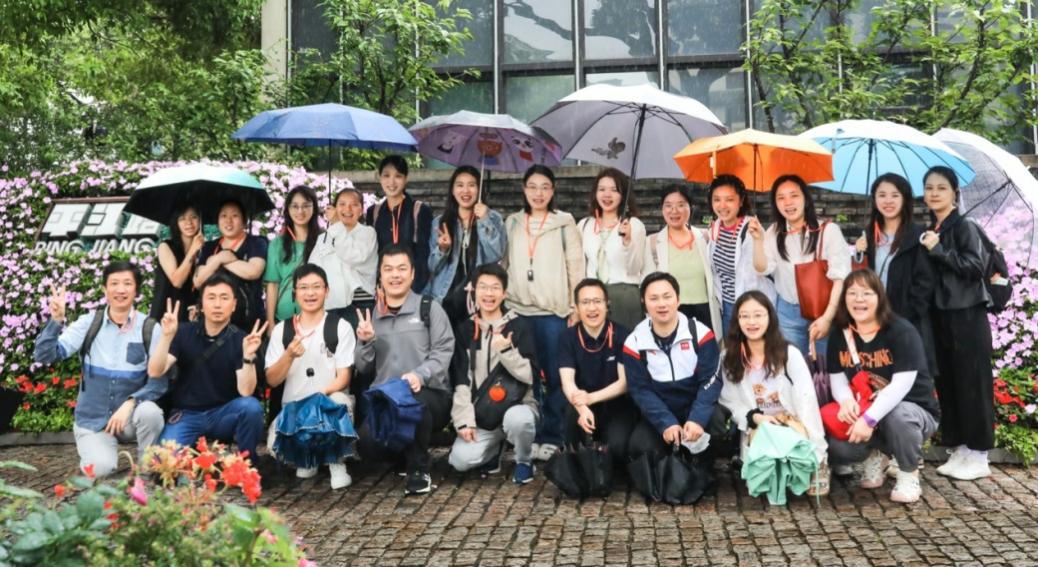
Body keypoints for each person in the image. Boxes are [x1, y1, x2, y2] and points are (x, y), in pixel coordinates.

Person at [34, 261, 166, 477]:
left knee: (150, 413)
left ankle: (146, 468)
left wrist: (130, 403)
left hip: (130, 419)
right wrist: (56, 321)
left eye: (127, 283)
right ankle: (100, 452)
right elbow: (44, 355)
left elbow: (158, 382)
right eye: (114, 283)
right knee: (99, 470)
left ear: (137, 291)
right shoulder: (88, 323)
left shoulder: (150, 328)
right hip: (93, 421)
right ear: (105, 289)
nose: (120, 289)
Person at [825, 270, 940, 503]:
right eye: (852, 293)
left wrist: (868, 420)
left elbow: (900, 386)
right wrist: (846, 402)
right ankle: (875, 454)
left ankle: (908, 473)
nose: (859, 300)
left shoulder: (901, 331)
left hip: (912, 411)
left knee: (899, 416)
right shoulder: (840, 334)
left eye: (866, 293)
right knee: (836, 443)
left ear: (879, 297)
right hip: (867, 407)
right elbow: (837, 379)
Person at [354, 244, 455, 495]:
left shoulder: (429, 308)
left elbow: (443, 351)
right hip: (388, 399)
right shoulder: (373, 315)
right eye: (388, 269)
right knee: (366, 444)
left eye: (401, 269)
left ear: (412, 274)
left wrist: (420, 375)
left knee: (413, 404)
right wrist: (365, 341)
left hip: (429, 395)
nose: (395, 275)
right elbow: (363, 366)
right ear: (380, 275)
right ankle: (402, 454)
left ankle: (419, 470)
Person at [503, 164, 585, 460]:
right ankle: (528, 436)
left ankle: (553, 435)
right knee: (525, 378)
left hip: (554, 313)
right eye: (532, 187)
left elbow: (576, 266)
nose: (538, 193)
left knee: (556, 376)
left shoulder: (564, 223)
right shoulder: (512, 222)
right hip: (518, 311)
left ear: (553, 191)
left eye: (545, 187)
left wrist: (576, 307)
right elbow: (503, 263)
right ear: (524, 189)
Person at [920, 165, 993, 480]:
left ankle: (979, 454)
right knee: (949, 382)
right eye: (929, 188)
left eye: (941, 188)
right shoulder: (933, 228)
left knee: (972, 383)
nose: (934, 193)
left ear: (954, 193)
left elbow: (974, 267)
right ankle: (960, 447)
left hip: (966, 314)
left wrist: (938, 251)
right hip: (941, 316)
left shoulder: (965, 227)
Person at [718, 290, 829, 497]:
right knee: (765, 485)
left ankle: (817, 464)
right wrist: (755, 418)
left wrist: (819, 453)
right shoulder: (729, 358)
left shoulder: (789, 354)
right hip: (759, 429)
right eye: (744, 316)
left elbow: (807, 402)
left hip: (792, 424)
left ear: (770, 317)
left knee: (796, 478)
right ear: (737, 321)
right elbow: (730, 401)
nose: (752, 322)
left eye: (758, 315)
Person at [150, 273, 268, 462]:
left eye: (224, 298)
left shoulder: (241, 339)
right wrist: (166, 337)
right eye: (211, 298)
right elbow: (155, 371)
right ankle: (193, 456)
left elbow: (246, 392)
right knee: (163, 462)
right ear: (202, 305)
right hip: (187, 415)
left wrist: (247, 357)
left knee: (251, 407)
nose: (217, 304)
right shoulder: (183, 332)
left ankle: (247, 463)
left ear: (234, 305)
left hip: (223, 414)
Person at [264, 264, 357, 490]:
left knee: (339, 402)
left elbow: (344, 377)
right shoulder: (282, 330)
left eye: (316, 287)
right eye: (304, 287)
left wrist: (318, 397)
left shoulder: (340, 327)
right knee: (275, 446)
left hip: (327, 402)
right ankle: (309, 458)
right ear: (294, 293)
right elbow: (272, 380)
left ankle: (337, 462)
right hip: (294, 408)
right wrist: (288, 356)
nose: (310, 293)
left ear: (327, 291)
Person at [447, 264, 538, 484]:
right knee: (459, 460)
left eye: (495, 288)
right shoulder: (465, 329)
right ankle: (494, 450)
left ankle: (524, 461)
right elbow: (461, 380)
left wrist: (506, 351)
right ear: (473, 291)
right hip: (483, 414)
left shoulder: (519, 326)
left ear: (504, 293)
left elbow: (531, 376)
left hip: (517, 406)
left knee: (519, 420)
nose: (489, 294)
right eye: (483, 287)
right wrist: (464, 420)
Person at [622, 272, 724, 461]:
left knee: (716, 423)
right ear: (644, 302)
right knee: (640, 447)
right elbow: (640, 389)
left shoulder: (700, 334)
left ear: (678, 300)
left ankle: (706, 466)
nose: (661, 304)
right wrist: (666, 422)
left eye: (667, 296)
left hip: (694, 404)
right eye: (654, 298)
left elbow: (711, 380)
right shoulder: (634, 342)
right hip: (661, 409)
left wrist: (697, 419)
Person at [750, 175, 850, 357]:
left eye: (794, 195)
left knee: (824, 365)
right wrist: (758, 240)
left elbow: (840, 278)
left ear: (806, 198)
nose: (788, 202)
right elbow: (762, 268)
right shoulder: (774, 232)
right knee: (792, 364)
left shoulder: (828, 230)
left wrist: (827, 318)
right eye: (781, 197)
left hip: (825, 308)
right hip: (788, 311)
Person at [852, 173, 937, 375]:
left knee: (908, 378)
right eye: (882, 195)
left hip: (907, 322)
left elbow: (925, 283)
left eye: (895, 195)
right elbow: (861, 279)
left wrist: (905, 317)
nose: (888, 201)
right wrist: (859, 254)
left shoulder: (918, 235)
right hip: (874, 321)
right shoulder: (869, 236)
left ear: (905, 199)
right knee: (878, 379)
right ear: (874, 199)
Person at [558, 278, 636, 463]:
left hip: (616, 405)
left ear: (607, 304)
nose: (592, 308)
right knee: (574, 443)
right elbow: (567, 382)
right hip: (580, 404)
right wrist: (582, 407)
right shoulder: (567, 337)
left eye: (597, 301)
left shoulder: (623, 335)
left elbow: (624, 383)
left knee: (617, 449)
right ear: (577, 307)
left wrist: (591, 398)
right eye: (585, 302)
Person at [426, 166, 507, 329]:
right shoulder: (440, 222)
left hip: (478, 300)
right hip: (445, 299)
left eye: (471, 185)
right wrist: (443, 249)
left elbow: (496, 255)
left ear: (479, 189)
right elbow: (432, 267)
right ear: (452, 190)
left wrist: (484, 220)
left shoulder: (494, 218)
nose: (466, 190)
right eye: (460, 185)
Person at [643, 185, 722, 339]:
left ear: (690, 207)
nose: (674, 211)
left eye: (680, 205)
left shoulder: (705, 238)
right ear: (662, 209)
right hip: (670, 313)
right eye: (668, 205)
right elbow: (647, 284)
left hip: (705, 312)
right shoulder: (652, 243)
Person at [576, 168, 646, 330]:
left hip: (623, 295)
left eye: (614, 190)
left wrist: (628, 241)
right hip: (593, 297)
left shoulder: (633, 225)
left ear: (623, 195)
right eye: (602, 189)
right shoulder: (585, 225)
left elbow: (635, 268)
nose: (607, 195)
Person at [705, 175, 774, 335]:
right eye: (717, 199)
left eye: (729, 199)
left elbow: (762, 268)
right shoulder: (715, 227)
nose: (722, 205)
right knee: (732, 350)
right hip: (727, 307)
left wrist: (757, 240)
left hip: (753, 307)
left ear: (741, 201)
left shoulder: (752, 229)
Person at [193, 200, 268, 331]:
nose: (229, 221)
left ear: (244, 220)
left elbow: (253, 271)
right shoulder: (210, 247)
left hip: (249, 322)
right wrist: (220, 259)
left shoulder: (256, 243)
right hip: (214, 322)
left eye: (234, 216)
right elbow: (198, 281)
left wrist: (215, 261)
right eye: (224, 216)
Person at [309, 188, 378, 331]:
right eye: (342, 204)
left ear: (361, 210)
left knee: (359, 344)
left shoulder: (368, 233)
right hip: (330, 306)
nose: (348, 209)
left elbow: (354, 256)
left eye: (354, 204)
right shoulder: (324, 237)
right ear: (334, 208)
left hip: (359, 304)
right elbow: (313, 271)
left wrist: (336, 225)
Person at [365, 155, 433, 293]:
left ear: (406, 178)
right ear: (379, 177)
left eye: (398, 176)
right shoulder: (374, 213)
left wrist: (411, 292)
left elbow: (424, 256)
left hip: (413, 290)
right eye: (386, 175)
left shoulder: (419, 211)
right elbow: (372, 255)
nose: (392, 182)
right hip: (384, 289)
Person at [265, 186, 322, 330]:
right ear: (288, 210)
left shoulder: (324, 241)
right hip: (284, 321)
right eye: (295, 206)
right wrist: (271, 323)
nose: (300, 211)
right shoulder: (277, 244)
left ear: (314, 208)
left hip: (319, 321)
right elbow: (272, 285)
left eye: (306, 206)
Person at [150, 204, 203, 322]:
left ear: (200, 220)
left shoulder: (204, 251)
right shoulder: (165, 247)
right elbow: (177, 281)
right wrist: (192, 250)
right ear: (176, 222)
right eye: (182, 218)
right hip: (165, 317)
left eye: (194, 217)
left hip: (190, 319)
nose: (189, 223)